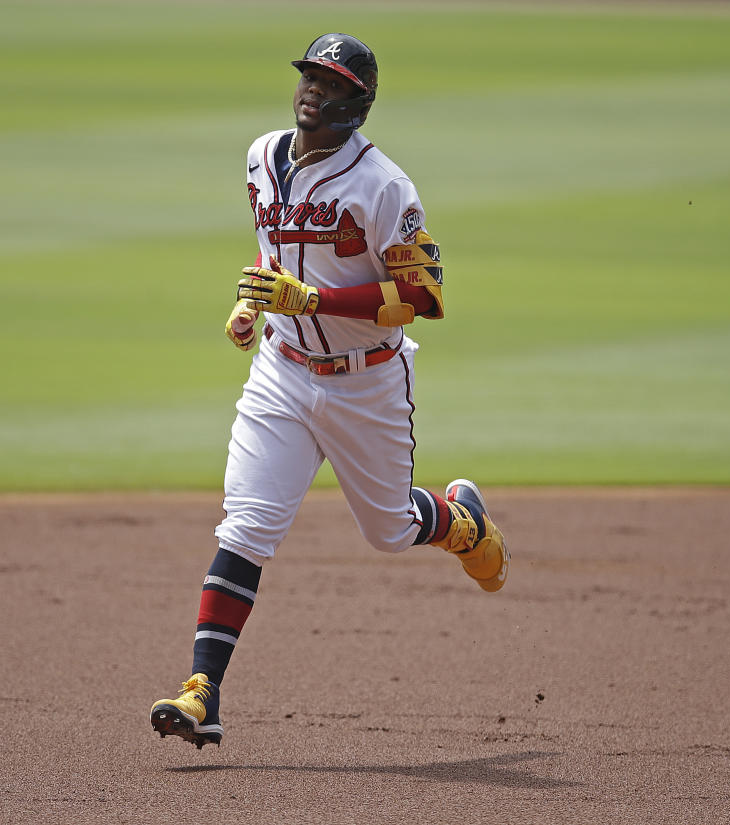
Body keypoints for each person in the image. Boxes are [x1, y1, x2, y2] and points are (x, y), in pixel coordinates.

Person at [150, 33, 508, 749]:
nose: (314, 88)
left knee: (387, 531)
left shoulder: (383, 186)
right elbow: (273, 243)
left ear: (358, 102)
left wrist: (311, 301)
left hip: (366, 382)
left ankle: (459, 520)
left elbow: (423, 297)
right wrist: (256, 298)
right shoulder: (260, 155)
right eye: (310, 74)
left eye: (332, 81)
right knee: (246, 525)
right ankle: (202, 691)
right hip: (280, 373)